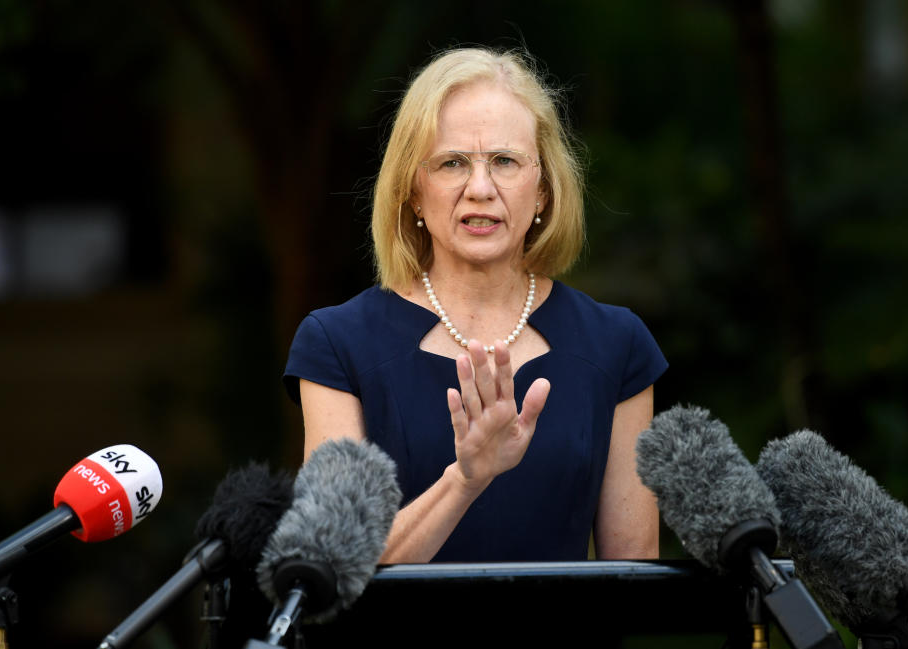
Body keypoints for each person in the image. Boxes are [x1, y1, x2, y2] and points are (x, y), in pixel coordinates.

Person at [283, 47, 667, 563]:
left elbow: (631, 578)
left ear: (544, 190)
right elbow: (331, 564)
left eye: (505, 161)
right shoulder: (337, 344)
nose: (480, 189)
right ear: (413, 192)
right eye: (452, 163)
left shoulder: (616, 345)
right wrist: (465, 480)